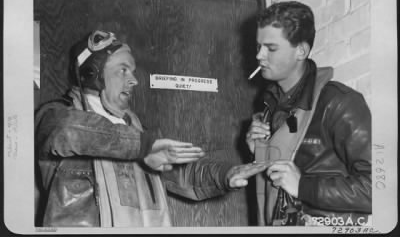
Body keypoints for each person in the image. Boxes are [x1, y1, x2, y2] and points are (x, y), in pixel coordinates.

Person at [35, 30, 267, 227]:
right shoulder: (56, 116)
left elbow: (184, 173)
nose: (134, 80)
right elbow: (71, 131)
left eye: (132, 71)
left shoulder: (137, 132)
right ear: (91, 74)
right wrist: (144, 146)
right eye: (123, 70)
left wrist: (225, 175)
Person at [246, 1, 371, 226]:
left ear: (301, 51)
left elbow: (381, 189)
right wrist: (259, 151)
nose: (259, 56)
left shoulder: (338, 102)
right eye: (259, 47)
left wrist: (304, 186)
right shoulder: (269, 107)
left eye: (271, 48)